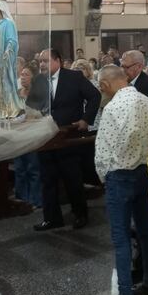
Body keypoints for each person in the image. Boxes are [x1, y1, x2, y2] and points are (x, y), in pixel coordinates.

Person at [94, 65, 148, 295]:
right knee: (146, 233)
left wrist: (104, 175)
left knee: (121, 238)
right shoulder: (147, 102)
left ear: (106, 85)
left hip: (120, 176)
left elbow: (105, 149)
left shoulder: (112, 107)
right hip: (145, 172)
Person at [33, 49, 101, 231]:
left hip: (68, 137)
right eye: (40, 61)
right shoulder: (39, 81)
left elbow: (95, 96)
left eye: (45, 61)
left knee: (73, 179)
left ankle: (80, 214)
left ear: (58, 60)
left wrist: (86, 119)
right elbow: (32, 105)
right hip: (46, 138)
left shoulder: (74, 77)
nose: (42, 65)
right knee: (48, 180)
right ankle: (51, 218)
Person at [13, 64, 42, 208]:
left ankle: (35, 199)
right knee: (19, 168)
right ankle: (21, 198)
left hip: (32, 134)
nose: (22, 77)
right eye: (22, 74)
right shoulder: (17, 93)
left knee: (33, 168)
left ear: (33, 78)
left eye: (26, 74)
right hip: (18, 135)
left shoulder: (37, 94)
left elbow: (37, 114)